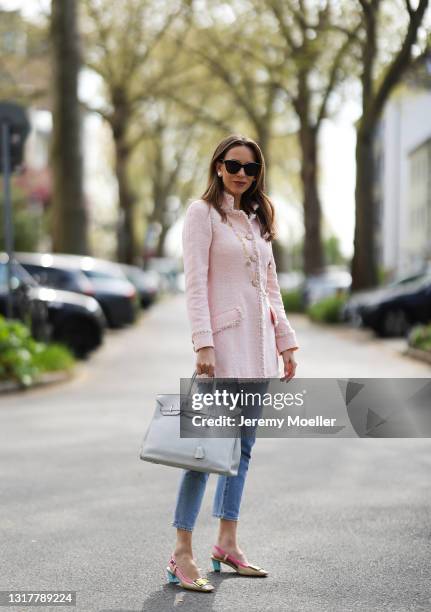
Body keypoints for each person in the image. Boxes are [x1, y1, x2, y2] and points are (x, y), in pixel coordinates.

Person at [166, 134, 299, 592]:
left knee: (241, 450)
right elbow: (195, 283)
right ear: (218, 166)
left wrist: (286, 341)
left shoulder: (259, 219)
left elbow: (272, 286)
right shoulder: (201, 214)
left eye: (251, 168)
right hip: (221, 351)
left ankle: (227, 544)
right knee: (202, 453)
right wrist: (203, 343)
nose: (242, 173)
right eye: (234, 164)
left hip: (258, 352)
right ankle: (181, 553)